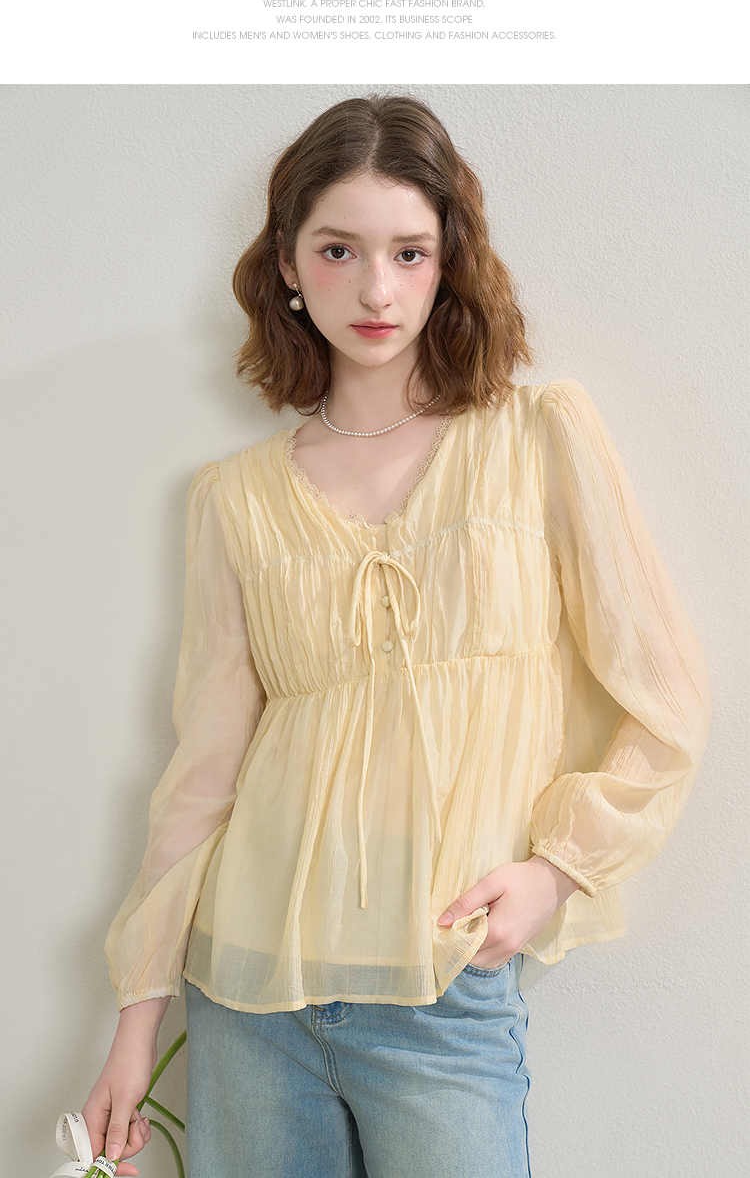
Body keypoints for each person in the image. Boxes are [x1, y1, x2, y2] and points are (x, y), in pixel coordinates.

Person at [82, 95, 711, 1178]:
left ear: (446, 262)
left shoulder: (536, 437)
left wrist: (557, 870)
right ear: (289, 264)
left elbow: (667, 696)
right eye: (340, 250)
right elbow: (205, 772)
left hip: (443, 987)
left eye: (408, 252)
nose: (376, 289)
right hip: (248, 996)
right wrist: (136, 1026)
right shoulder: (235, 499)